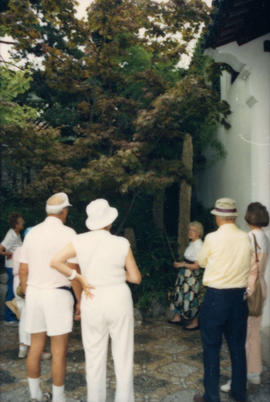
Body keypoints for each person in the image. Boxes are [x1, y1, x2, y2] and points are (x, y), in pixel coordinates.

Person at [51, 198, 142, 402]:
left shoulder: (79, 241)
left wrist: (78, 277)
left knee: (93, 358)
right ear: (109, 222)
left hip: (92, 297)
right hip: (118, 298)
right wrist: (118, 274)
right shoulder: (121, 243)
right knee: (123, 356)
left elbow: (55, 261)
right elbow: (135, 278)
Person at [19, 192, 85, 402]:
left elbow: (23, 270)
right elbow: (73, 271)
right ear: (64, 212)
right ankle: (58, 398)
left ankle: (35, 395)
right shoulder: (69, 234)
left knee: (35, 347)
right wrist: (79, 301)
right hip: (58, 295)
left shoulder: (32, 233)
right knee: (58, 351)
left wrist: (29, 294)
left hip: (35, 294)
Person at [193, 198, 252, 402]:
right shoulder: (247, 237)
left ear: (218, 217)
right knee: (237, 347)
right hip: (239, 298)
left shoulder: (212, 238)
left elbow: (201, 262)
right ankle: (239, 392)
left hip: (216, 297)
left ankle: (211, 396)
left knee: (211, 347)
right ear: (233, 217)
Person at [221, 202, 269, 392]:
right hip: (261, 288)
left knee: (240, 337)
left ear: (248, 217)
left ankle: (239, 380)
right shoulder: (264, 237)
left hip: (248, 290)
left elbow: (244, 267)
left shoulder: (249, 237)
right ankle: (254, 374)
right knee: (253, 334)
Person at [169, 221, 204, 330]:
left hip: (192, 276)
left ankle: (195, 322)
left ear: (199, 233)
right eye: (189, 230)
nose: (190, 232)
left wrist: (182, 264)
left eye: (193, 231)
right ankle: (178, 317)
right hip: (185, 273)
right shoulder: (192, 243)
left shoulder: (199, 245)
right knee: (180, 294)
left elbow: (197, 266)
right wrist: (181, 264)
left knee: (192, 297)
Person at [0, 212, 24, 324]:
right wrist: (8, 253)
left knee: (14, 290)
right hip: (11, 267)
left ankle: (13, 315)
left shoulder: (16, 233)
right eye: (21, 221)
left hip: (15, 266)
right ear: (16, 224)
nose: (23, 222)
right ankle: (8, 318)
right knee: (11, 290)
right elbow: (1, 249)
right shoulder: (11, 235)